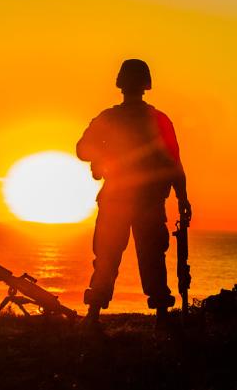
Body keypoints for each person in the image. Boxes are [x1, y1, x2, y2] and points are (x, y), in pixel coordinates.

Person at [77, 59, 190, 326]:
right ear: (146, 85)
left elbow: (82, 149)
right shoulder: (159, 120)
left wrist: (101, 157)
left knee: (107, 256)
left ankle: (93, 315)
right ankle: (161, 317)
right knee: (151, 258)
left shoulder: (108, 118)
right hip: (147, 200)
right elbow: (174, 162)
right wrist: (182, 197)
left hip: (117, 198)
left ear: (120, 84)